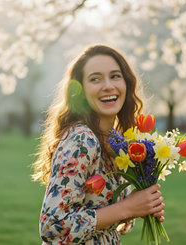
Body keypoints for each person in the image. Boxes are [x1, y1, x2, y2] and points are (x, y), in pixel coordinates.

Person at [31, 44, 166, 244]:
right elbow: (53, 225)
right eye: (95, 79)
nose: (108, 86)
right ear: (80, 91)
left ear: (126, 83)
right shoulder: (82, 139)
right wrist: (127, 207)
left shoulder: (114, 142)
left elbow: (108, 220)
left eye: (115, 76)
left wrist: (138, 203)